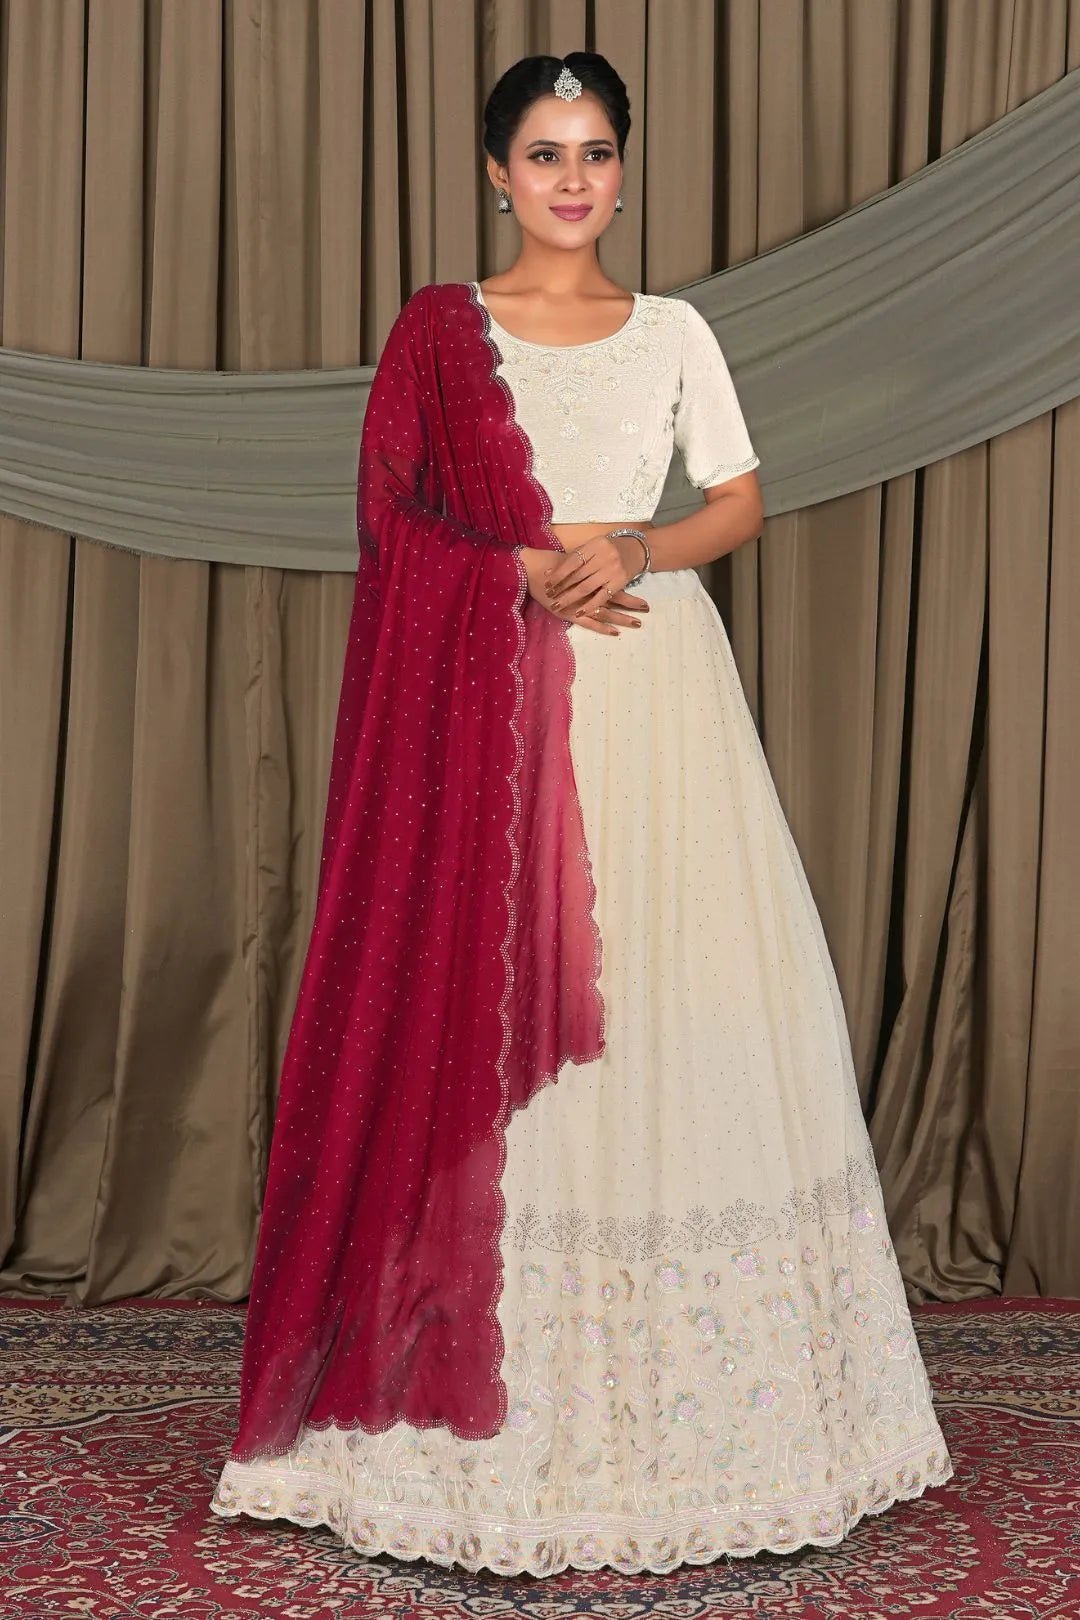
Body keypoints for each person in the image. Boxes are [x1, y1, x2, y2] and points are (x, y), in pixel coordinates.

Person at [210, 50, 953, 1578]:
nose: (571, 178)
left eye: (595, 152)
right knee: (497, 1013)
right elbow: (390, 515)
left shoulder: (675, 330)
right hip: (492, 706)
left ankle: (725, 1423)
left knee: (681, 997)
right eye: (544, 152)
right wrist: (521, 569)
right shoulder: (441, 333)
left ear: (623, 170)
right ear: (498, 172)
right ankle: (475, 1425)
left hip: (658, 693)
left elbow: (739, 496)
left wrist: (640, 548)